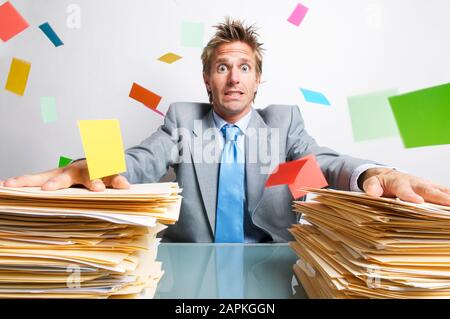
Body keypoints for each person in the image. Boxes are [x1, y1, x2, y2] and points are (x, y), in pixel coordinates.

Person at [1, 19, 449, 243]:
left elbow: (324, 162)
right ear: (206, 80)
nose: (233, 78)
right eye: (221, 67)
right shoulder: (183, 119)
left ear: (257, 80)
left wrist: (375, 171)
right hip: (190, 270)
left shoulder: (284, 121)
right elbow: (143, 159)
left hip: (271, 266)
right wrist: (89, 165)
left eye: (244, 68)